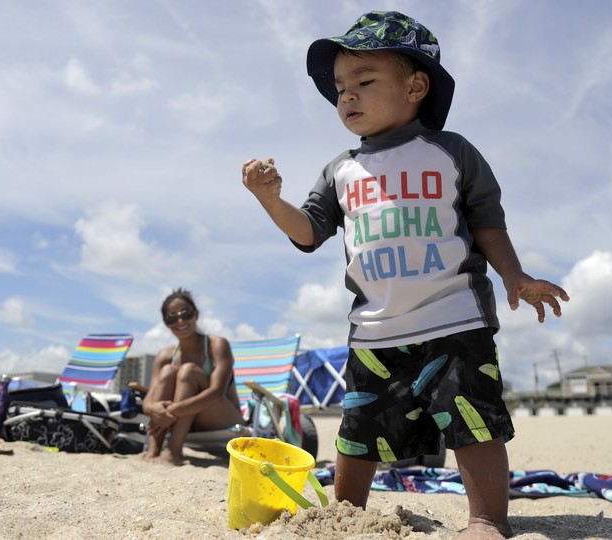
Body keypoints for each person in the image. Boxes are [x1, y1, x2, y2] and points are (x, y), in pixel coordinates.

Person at [242, 11, 569, 539]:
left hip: (456, 318)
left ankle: (486, 520)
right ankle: (345, 515)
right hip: (375, 328)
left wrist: (513, 275)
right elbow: (307, 233)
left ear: (416, 86)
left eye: (364, 81)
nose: (346, 96)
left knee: (474, 423)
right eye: (340, 87)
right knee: (359, 429)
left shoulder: (451, 151)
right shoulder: (340, 170)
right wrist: (270, 199)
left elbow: (487, 220)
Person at [141, 288, 245, 465]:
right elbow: (148, 399)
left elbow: (216, 393)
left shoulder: (217, 345)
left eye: (186, 313)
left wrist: (173, 410)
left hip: (219, 417)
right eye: (172, 317)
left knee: (188, 371)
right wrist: (154, 410)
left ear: (196, 315)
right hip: (183, 420)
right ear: (166, 323)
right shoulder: (164, 355)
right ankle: (153, 451)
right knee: (168, 372)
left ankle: (173, 452)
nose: (180, 321)